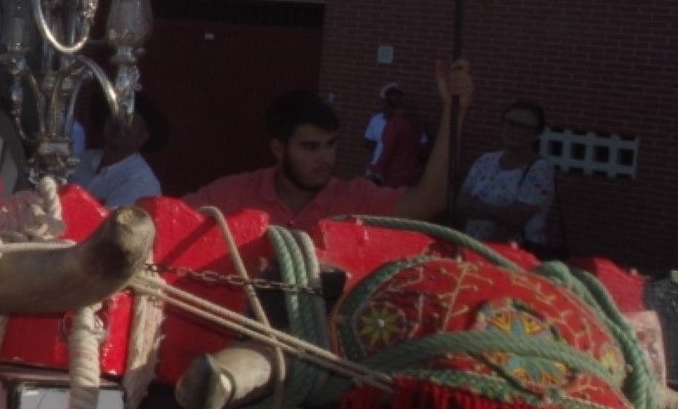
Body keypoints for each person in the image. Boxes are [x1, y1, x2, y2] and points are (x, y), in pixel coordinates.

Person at [186, 64, 473, 233]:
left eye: (331, 144)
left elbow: (430, 202)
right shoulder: (233, 194)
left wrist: (454, 111)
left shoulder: (354, 199)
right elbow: (165, 219)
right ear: (278, 148)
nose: (325, 158)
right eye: (310, 147)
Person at [455, 99, 561, 255]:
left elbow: (514, 219)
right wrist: (500, 213)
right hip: (472, 247)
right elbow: (461, 203)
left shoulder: (539, 170)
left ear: (536, 134)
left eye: (524, 127)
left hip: (513, 256)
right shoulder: (485, 161)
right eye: (511, 123)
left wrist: (478, 208)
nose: (515, 130)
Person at [69, 94, 166, 209]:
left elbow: (111, 226)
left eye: (130, 121)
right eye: (115, 115)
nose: (119, 125)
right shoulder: (82, 159)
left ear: (143, 137)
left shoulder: (140, 181)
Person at [364, 82, 422, 187]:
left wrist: (375, 170)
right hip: (409, 174)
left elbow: (388, 150)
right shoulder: (414, 122)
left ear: (388, 106)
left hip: (392, 176)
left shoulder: (395, 123)